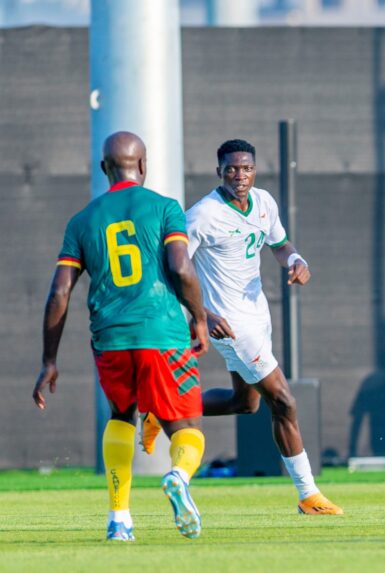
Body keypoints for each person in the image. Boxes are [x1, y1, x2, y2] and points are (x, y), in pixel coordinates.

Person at [143, 139, 342, 515]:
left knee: (245, 403)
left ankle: (161, 407)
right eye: (232, 169)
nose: (240, 175)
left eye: (246, 168)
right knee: (283, 400)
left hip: (257, 315)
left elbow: (280, 245)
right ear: (219, 171)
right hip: (230, 325)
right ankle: (308, 493)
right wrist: (201, 314)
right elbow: (171, 266)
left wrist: (296, 260)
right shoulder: (203, 215)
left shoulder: (264, 202)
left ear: (255, 170)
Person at [32, 131, 211, 541]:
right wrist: (199, 318)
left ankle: (119, 521)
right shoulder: (165, 208)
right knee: (187, 428)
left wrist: (49, 360)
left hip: (110, 340)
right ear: (143, 166)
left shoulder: (82, 221)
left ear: (104, 169)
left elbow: (60, 292)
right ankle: (179, 477)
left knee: (120, 417)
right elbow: (182, 269)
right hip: (162, 334)